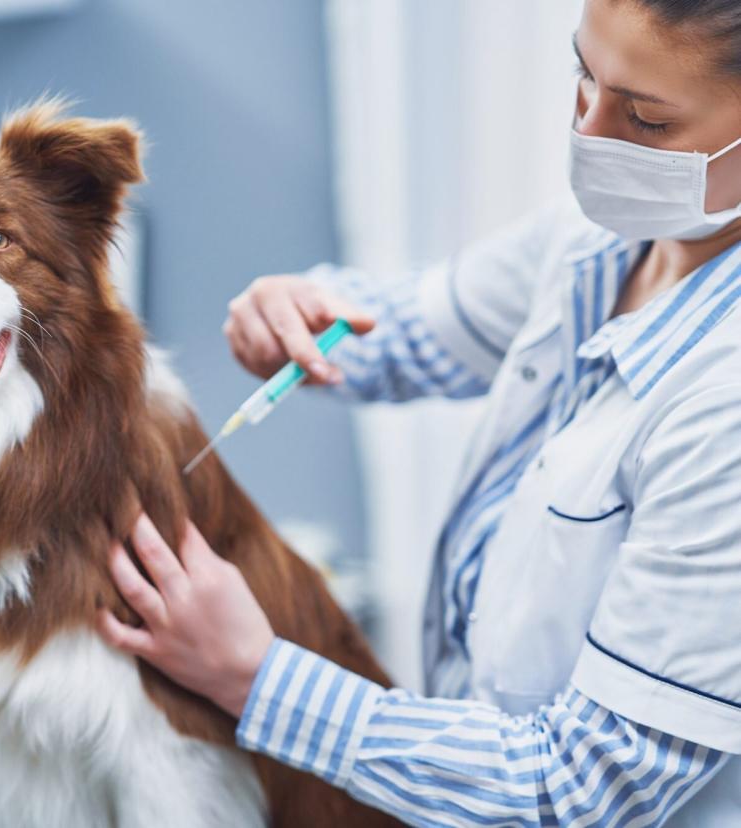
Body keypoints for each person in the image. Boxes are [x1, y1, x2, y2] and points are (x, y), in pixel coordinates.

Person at [97, 0, 741, 824]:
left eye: (646, 119)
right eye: (584, 74)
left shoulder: (722, 411)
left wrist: (258, 677)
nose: (591, 132)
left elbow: (577, 790)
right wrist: (304, 316)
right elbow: (416, 326)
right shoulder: (606, 242)